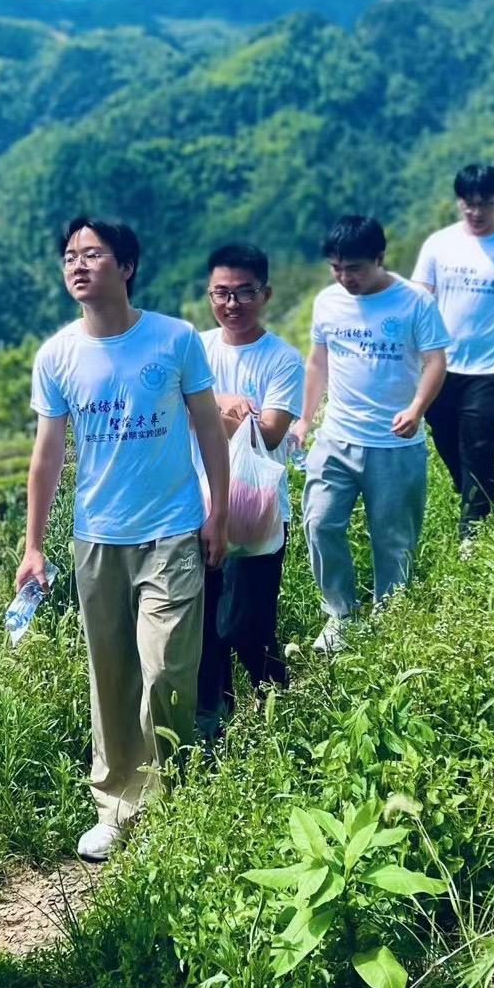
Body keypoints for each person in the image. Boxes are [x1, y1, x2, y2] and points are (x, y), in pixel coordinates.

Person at [16, 216, 229, 862]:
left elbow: (208, 430)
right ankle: (115, 804)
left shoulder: (174, 340)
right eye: (69, 256)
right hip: (97, 537)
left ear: (127, 267)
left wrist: (216, 512)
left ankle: (172, 793)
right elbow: (48, 456)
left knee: (166, 668)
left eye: (94, 254)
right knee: (110, 675)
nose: (78, 265)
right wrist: (32, 546)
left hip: (171, 527)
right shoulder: (57, 355)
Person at [291, 215, 449, 653]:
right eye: (337, 268)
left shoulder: (413, 302)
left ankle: (390, 616)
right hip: (336, 437)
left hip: (395, 445)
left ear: (380, 259)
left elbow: (436, 361)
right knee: (320, 522)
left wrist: (417, 409)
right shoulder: (328, 302)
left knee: (394, 537)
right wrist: (305, 418)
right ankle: (340, 613)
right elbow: (317, 362)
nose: (345, 278)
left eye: (355, 268)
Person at [194, 244, 304, 738]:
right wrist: (228, 405)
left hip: (257, 510)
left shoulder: (282, 358)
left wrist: (207, 410)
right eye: (221, 292)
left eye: (243, 292)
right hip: (196, 506)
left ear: (265, 294)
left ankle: (280, 704)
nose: (231, 303)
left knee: (246, 625)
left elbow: (275, 431)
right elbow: (179, 414)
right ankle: (220, 722)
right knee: (203, 630)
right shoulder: (194, 348)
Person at [412, 164, 494, 545]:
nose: (477, 212)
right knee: (445, 436)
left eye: (485, 204)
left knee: (480, 444)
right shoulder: (439, 244)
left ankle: (475, 528)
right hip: (441, 365)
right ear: (459, 203)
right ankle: (469, 488)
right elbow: (420, 299)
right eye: (468, 205)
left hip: (493, 367)